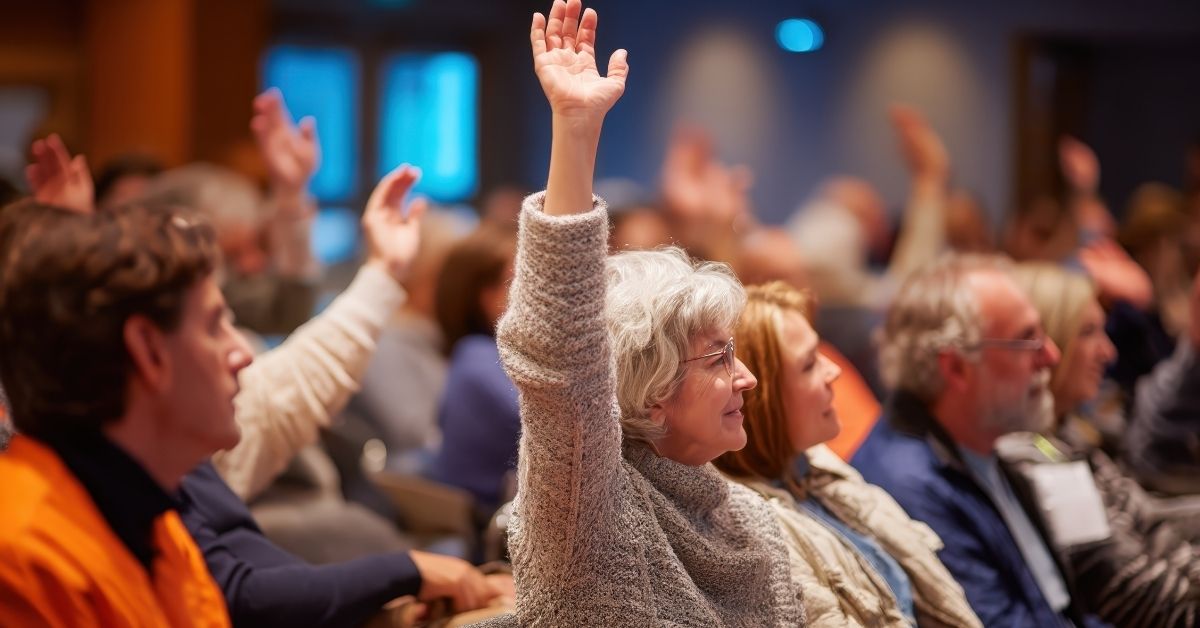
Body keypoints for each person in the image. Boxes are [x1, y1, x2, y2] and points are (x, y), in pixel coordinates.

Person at [476, 2, 803, 624]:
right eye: (719, 358)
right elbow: (562, 360)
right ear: (651, 393)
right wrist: (574, 131)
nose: (749, 378)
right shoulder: (586, 513)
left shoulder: (752, 520)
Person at [0, 198, 245, 626]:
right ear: (148, 350)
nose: (242, 353)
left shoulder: (157, 526)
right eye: (212, 326)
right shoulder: (23, 553)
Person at [852, 253, 1099, 627]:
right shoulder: (908, 489)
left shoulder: (983, 440)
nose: (1051, 355)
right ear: (956, 368)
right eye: (1027, 339)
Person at [714, 281, 980, 627]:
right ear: (760, 398)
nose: (833, 371)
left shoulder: (818, 467)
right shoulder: (749, 529)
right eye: (809, 364)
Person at [1001, 262, 1200, 627]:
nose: (1108, 353)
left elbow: (1151, 524)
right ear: (1050, 340)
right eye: (1089, 332)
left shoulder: (1065, 433)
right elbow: (1128, 593)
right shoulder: (1033, 456)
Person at [426, 224, 521, 510]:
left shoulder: (482, 356)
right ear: (483, 296)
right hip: (489, 536)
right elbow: (557, 427)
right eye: (520, 280)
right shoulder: (476, 356)